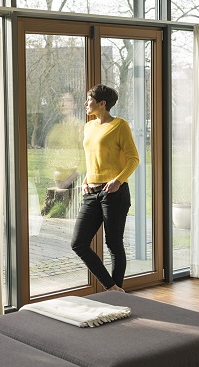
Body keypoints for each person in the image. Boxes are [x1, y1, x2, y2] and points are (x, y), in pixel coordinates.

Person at [71, 84, 139, 293]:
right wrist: (85, 181)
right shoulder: (88, 127)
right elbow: (92, 158)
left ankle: (116, 293)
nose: (85, 103)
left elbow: (133, 159)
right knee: (78, 243)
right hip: (91, 193)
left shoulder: (120, 126)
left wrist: (118, 180)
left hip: (114, 194)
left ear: (102, 103)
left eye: (89, 99)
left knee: (113, 244)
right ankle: (112, 288)